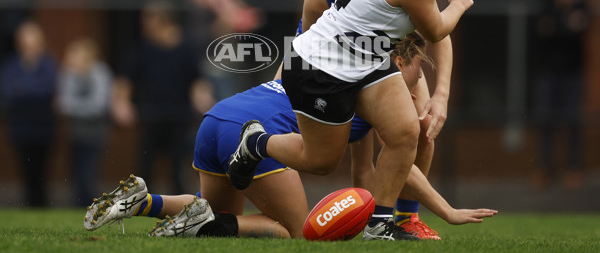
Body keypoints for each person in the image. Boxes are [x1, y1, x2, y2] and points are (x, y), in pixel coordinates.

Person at [227, 0, 478, 242]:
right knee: (321, 162)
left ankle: (379, 224)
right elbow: (438, 31)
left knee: (405, 131)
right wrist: (458, 4)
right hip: (318, 67)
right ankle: (256, 143)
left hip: (364, 61)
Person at [84, 33, 497, 238]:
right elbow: (401, 165)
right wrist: (447, 210)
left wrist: (377, 215)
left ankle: (142, 200)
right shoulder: (376, 90)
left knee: (215, 212)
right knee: (299, 229)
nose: (413, 84)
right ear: (397, 59)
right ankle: (202, 220)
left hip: (218, 119)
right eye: (414, 71)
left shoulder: (333, 67)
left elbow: (369, 173)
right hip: (255, 132)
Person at [279, 0, 455, 239]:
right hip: (324, 71)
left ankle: (392, 221)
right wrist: (447, 210)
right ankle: (257, 143)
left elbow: (435, 35)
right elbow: (299, 42)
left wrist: (438, 95)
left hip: (370, 66)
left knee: (413, 132)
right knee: (328, 162)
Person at [111, 0, 211, 195]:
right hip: (150, 115)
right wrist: (121, 103)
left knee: (177, 166)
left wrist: (206, 103)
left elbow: (198, 82)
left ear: (164, 21)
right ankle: (141, 202)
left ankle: (180, 207)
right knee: (145, 165)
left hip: (179, 116)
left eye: (149, 20)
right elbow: (125, 80)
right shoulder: (142, 49)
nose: (144, 26)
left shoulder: (186, 50)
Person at [530, 0, 589, 191]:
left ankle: (574, 169)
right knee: (545, 120)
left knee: (573, 120)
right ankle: (545, 169)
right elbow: (541, 32)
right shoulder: (545, 3)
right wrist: (565, 25)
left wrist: (556, 27)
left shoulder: (581, 5)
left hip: (573, 72)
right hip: (547, 73)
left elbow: (573, 33)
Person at [0, 20, 58, 206]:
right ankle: (31, 206)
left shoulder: (48, 64)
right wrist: (31, 92)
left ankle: (42, 207)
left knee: (42, 174)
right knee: (26, 174)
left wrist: (23, 90)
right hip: (20, 130)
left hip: (44, 129)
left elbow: (48, 89)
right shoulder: (11, 65)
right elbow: (8, 91)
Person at [56, 37, 113, 206]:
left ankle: (94, 208)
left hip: (95, 134)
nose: (70, 58)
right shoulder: (70, 73)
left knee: (87, 176)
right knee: (76, 176)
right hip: (75, 134)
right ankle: (80, 209)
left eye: (74, 54)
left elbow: (98, 106)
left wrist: (72, 107)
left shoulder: (100, 73)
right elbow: (62, 101)